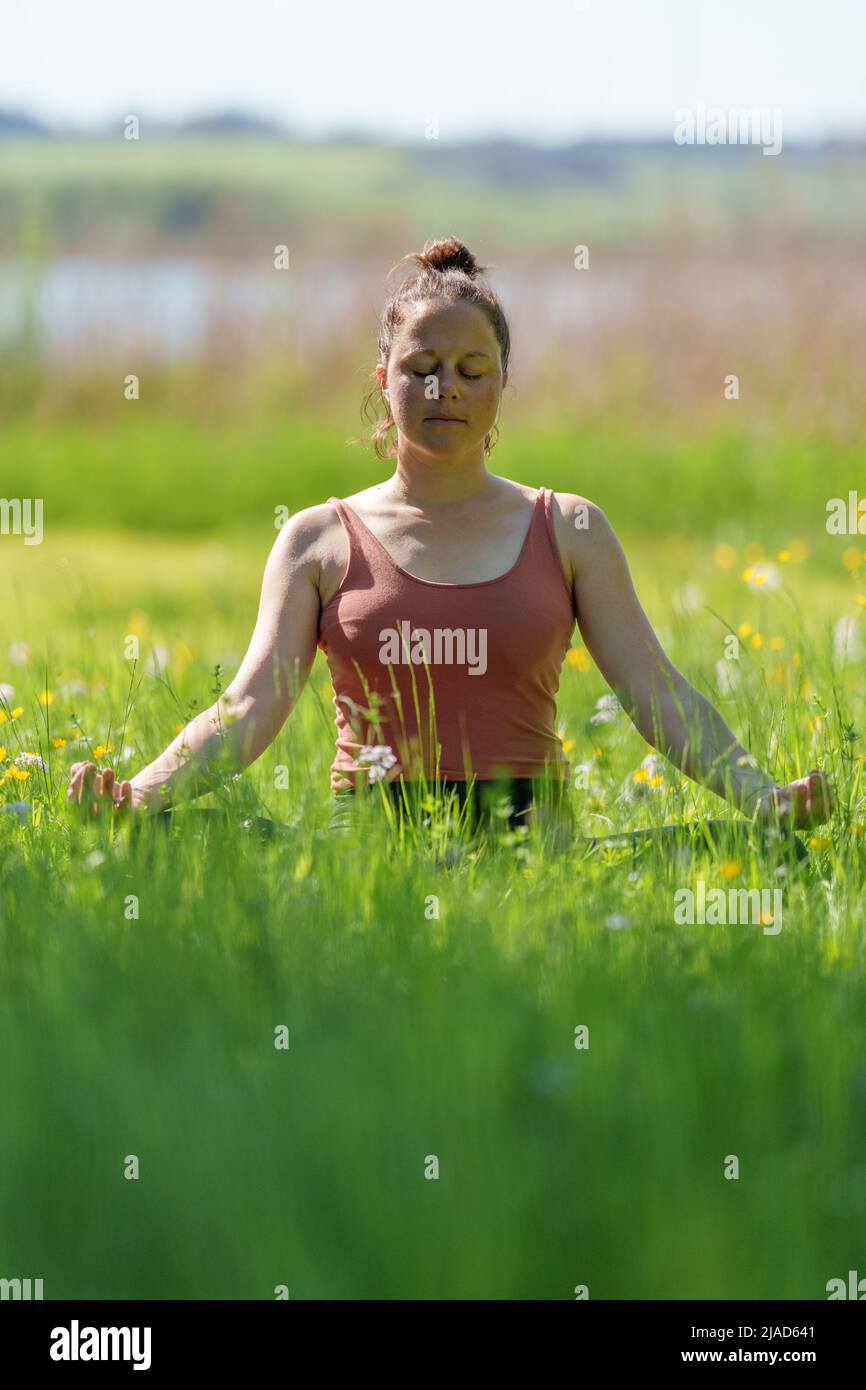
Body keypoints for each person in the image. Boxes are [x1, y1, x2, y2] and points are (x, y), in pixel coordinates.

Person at [66, 236, 834, 851]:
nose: (446, 390)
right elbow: (251, 704)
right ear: (384, 378)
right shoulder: (316, 539)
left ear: (504, 381)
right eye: (422, 369)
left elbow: (657, 694)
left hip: (535, 844)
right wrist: (143, 791)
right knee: (161, 836)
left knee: (778, 853)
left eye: (472, 370)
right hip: (369, 848)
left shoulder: (569, 528)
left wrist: (761, 796)